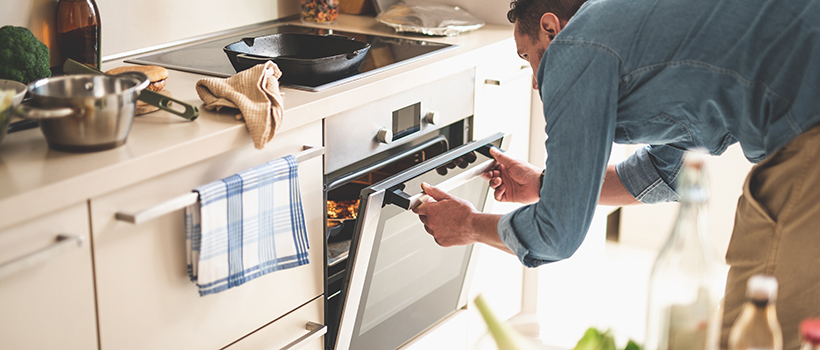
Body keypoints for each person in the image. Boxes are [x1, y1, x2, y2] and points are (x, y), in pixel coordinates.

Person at [412, 0, 820, 348]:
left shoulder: (576, 47)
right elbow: (664, 171)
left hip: (808, 135)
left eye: (528, 56)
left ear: (551, 29)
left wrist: (468, 225)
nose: (537, 82)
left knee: (749, 333)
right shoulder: (641, 28)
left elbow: (558, 235)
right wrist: (544, 186)